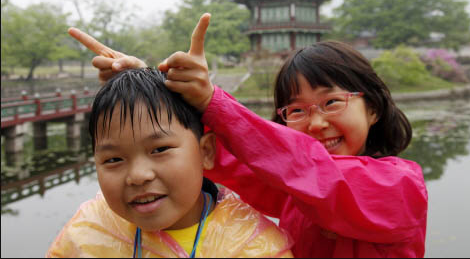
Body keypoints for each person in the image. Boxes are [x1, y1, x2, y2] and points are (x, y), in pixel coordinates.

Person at [68, 13, 428, 257]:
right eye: (297, 111)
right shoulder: (293, 192)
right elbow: (225, 159)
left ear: (373, 108)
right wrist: (148, 91)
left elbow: (309, 168)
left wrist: (213, 100)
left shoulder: (399, 186)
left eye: (331, 102)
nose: (316, 124)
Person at [45, 67, 294, 258]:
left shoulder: (254, 246)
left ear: (205, 152)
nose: (138, 175)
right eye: (113, 159)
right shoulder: (86, 233)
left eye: (160, 149)